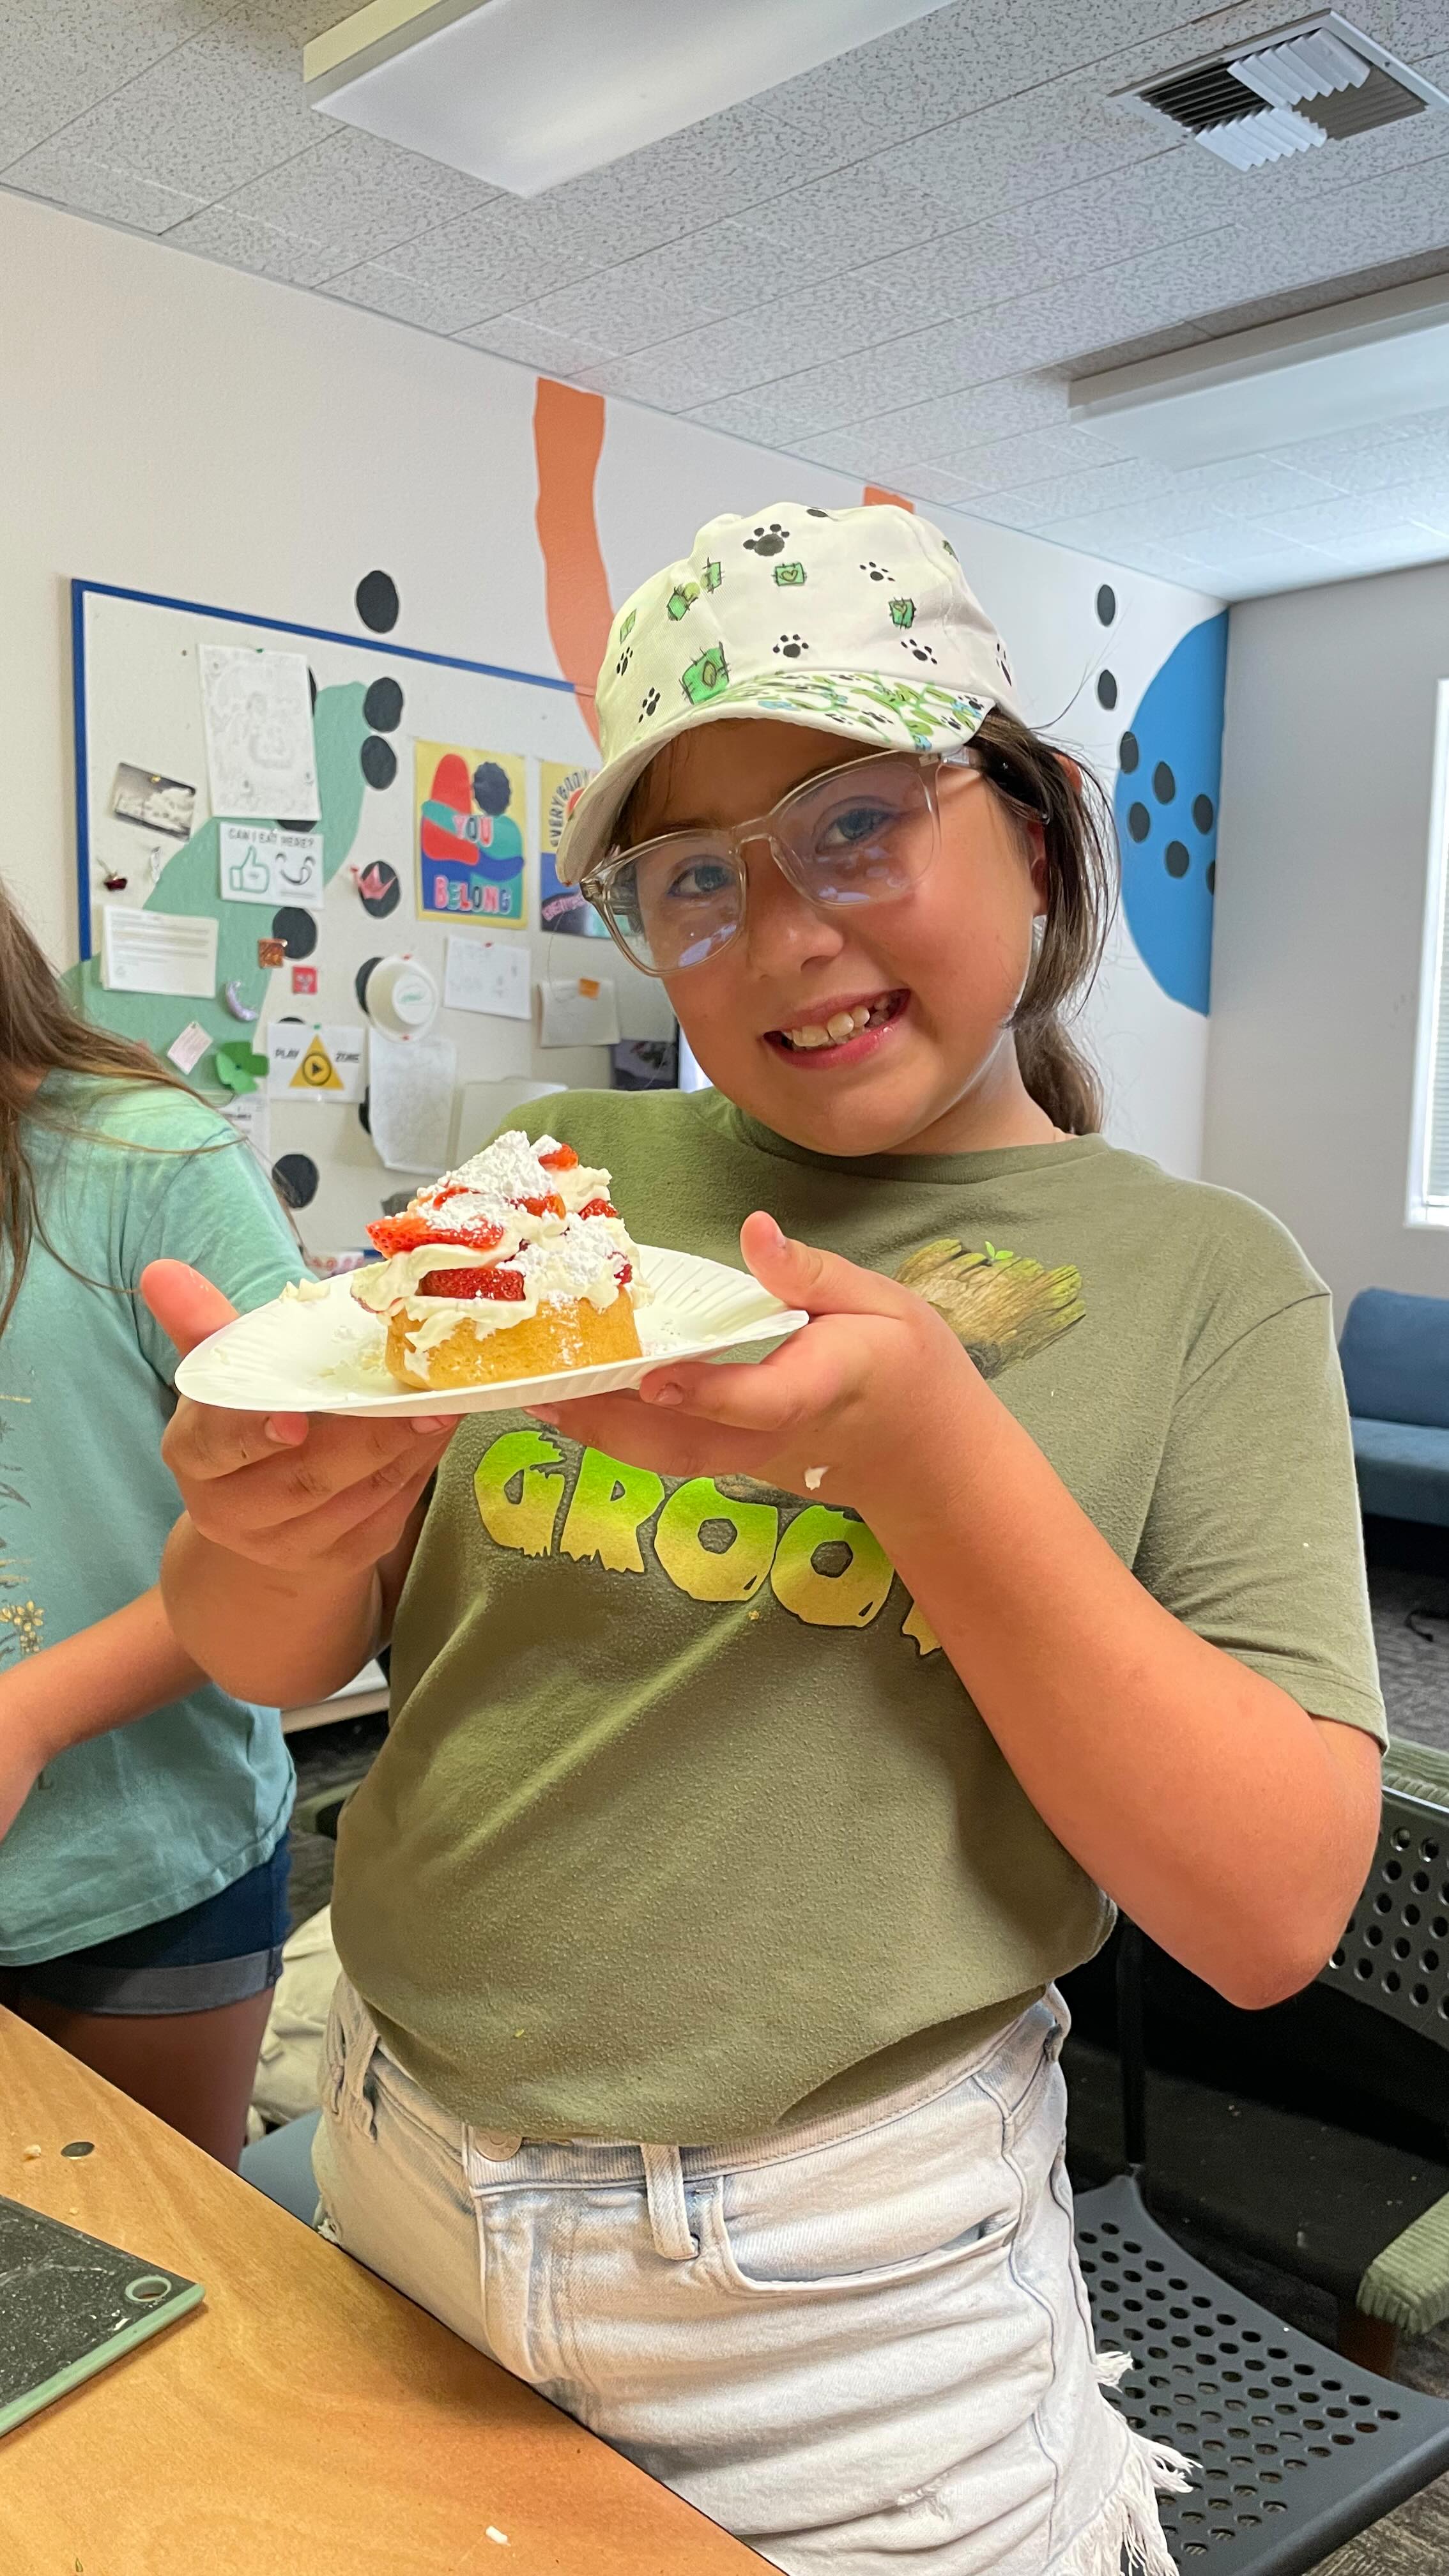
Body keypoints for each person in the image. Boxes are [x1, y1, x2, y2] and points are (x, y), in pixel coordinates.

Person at [148, 503, 1383, 2573]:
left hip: (840, 2309)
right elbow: (273, 1648)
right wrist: (270, 1515)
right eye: (690, 879)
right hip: (399, 2167)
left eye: (850, 823)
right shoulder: (554, 1183)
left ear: (1034, 823)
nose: (785, 930)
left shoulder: (1194, 1281)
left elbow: (1266, 1909)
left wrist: (922, 1452)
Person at [0, 885, 305, 2165]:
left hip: (143, 1867)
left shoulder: (145, 1159)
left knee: (166, 2283)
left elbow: (307, 1542)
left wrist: (30, 1713)